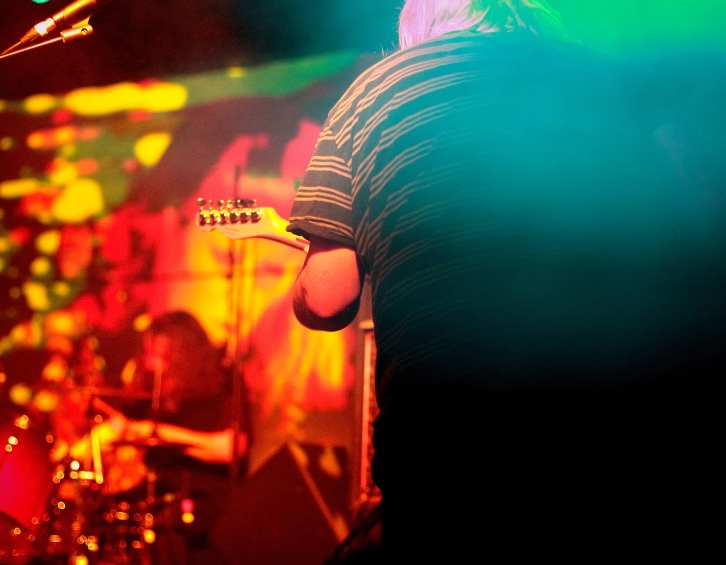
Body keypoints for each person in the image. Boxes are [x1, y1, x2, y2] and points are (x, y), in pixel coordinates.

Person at [288, 0, 724, 560]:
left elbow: (327, 300)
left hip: (446, 444)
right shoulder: (613, 76)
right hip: (623, 428)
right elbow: (704, 225)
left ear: (418, 20)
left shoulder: (369, 96)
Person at [48, 310, 248, 565]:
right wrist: (72, 454)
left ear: (183, 353)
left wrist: (157, 432)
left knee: (164, 529)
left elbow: (231, 448)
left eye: (161, 354)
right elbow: (116, 427)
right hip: (155, 498)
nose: (152, 363)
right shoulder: (151, 393)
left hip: (204, 497)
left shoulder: (222, 384)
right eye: (149, 353)